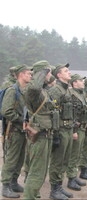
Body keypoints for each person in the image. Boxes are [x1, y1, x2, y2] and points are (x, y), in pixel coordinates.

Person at [23, 60, 56, 199]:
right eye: (48, 72)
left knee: (40, 172)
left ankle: (34, 196)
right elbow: (34, 88)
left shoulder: (42, 90)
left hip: (45, 135)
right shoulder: (33, 89)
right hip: (39, 136)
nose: (50, 75)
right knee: (36, 173)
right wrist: (42, 71)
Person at [1, 65, 32, 198]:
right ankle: (5, 185)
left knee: (20, 159)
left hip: (22, 131)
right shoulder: (12, 91)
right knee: (11, 159)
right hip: (13, 131)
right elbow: (6, 111)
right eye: (28, 74)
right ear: (21, 75)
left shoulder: (24, 90)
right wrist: (21, 120)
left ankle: (14, 182)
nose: (31, 76)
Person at [48, 63, 74, 199]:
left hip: (68, 129)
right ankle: (54, 190)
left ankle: (59, 185)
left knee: (65, 160)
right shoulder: (55, 90)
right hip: (61, 130)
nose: (69, 72)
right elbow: (53, 113)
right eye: (66, 71)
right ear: (58, 75)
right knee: (57, 161)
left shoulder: (67, 89)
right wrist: (56, 134)